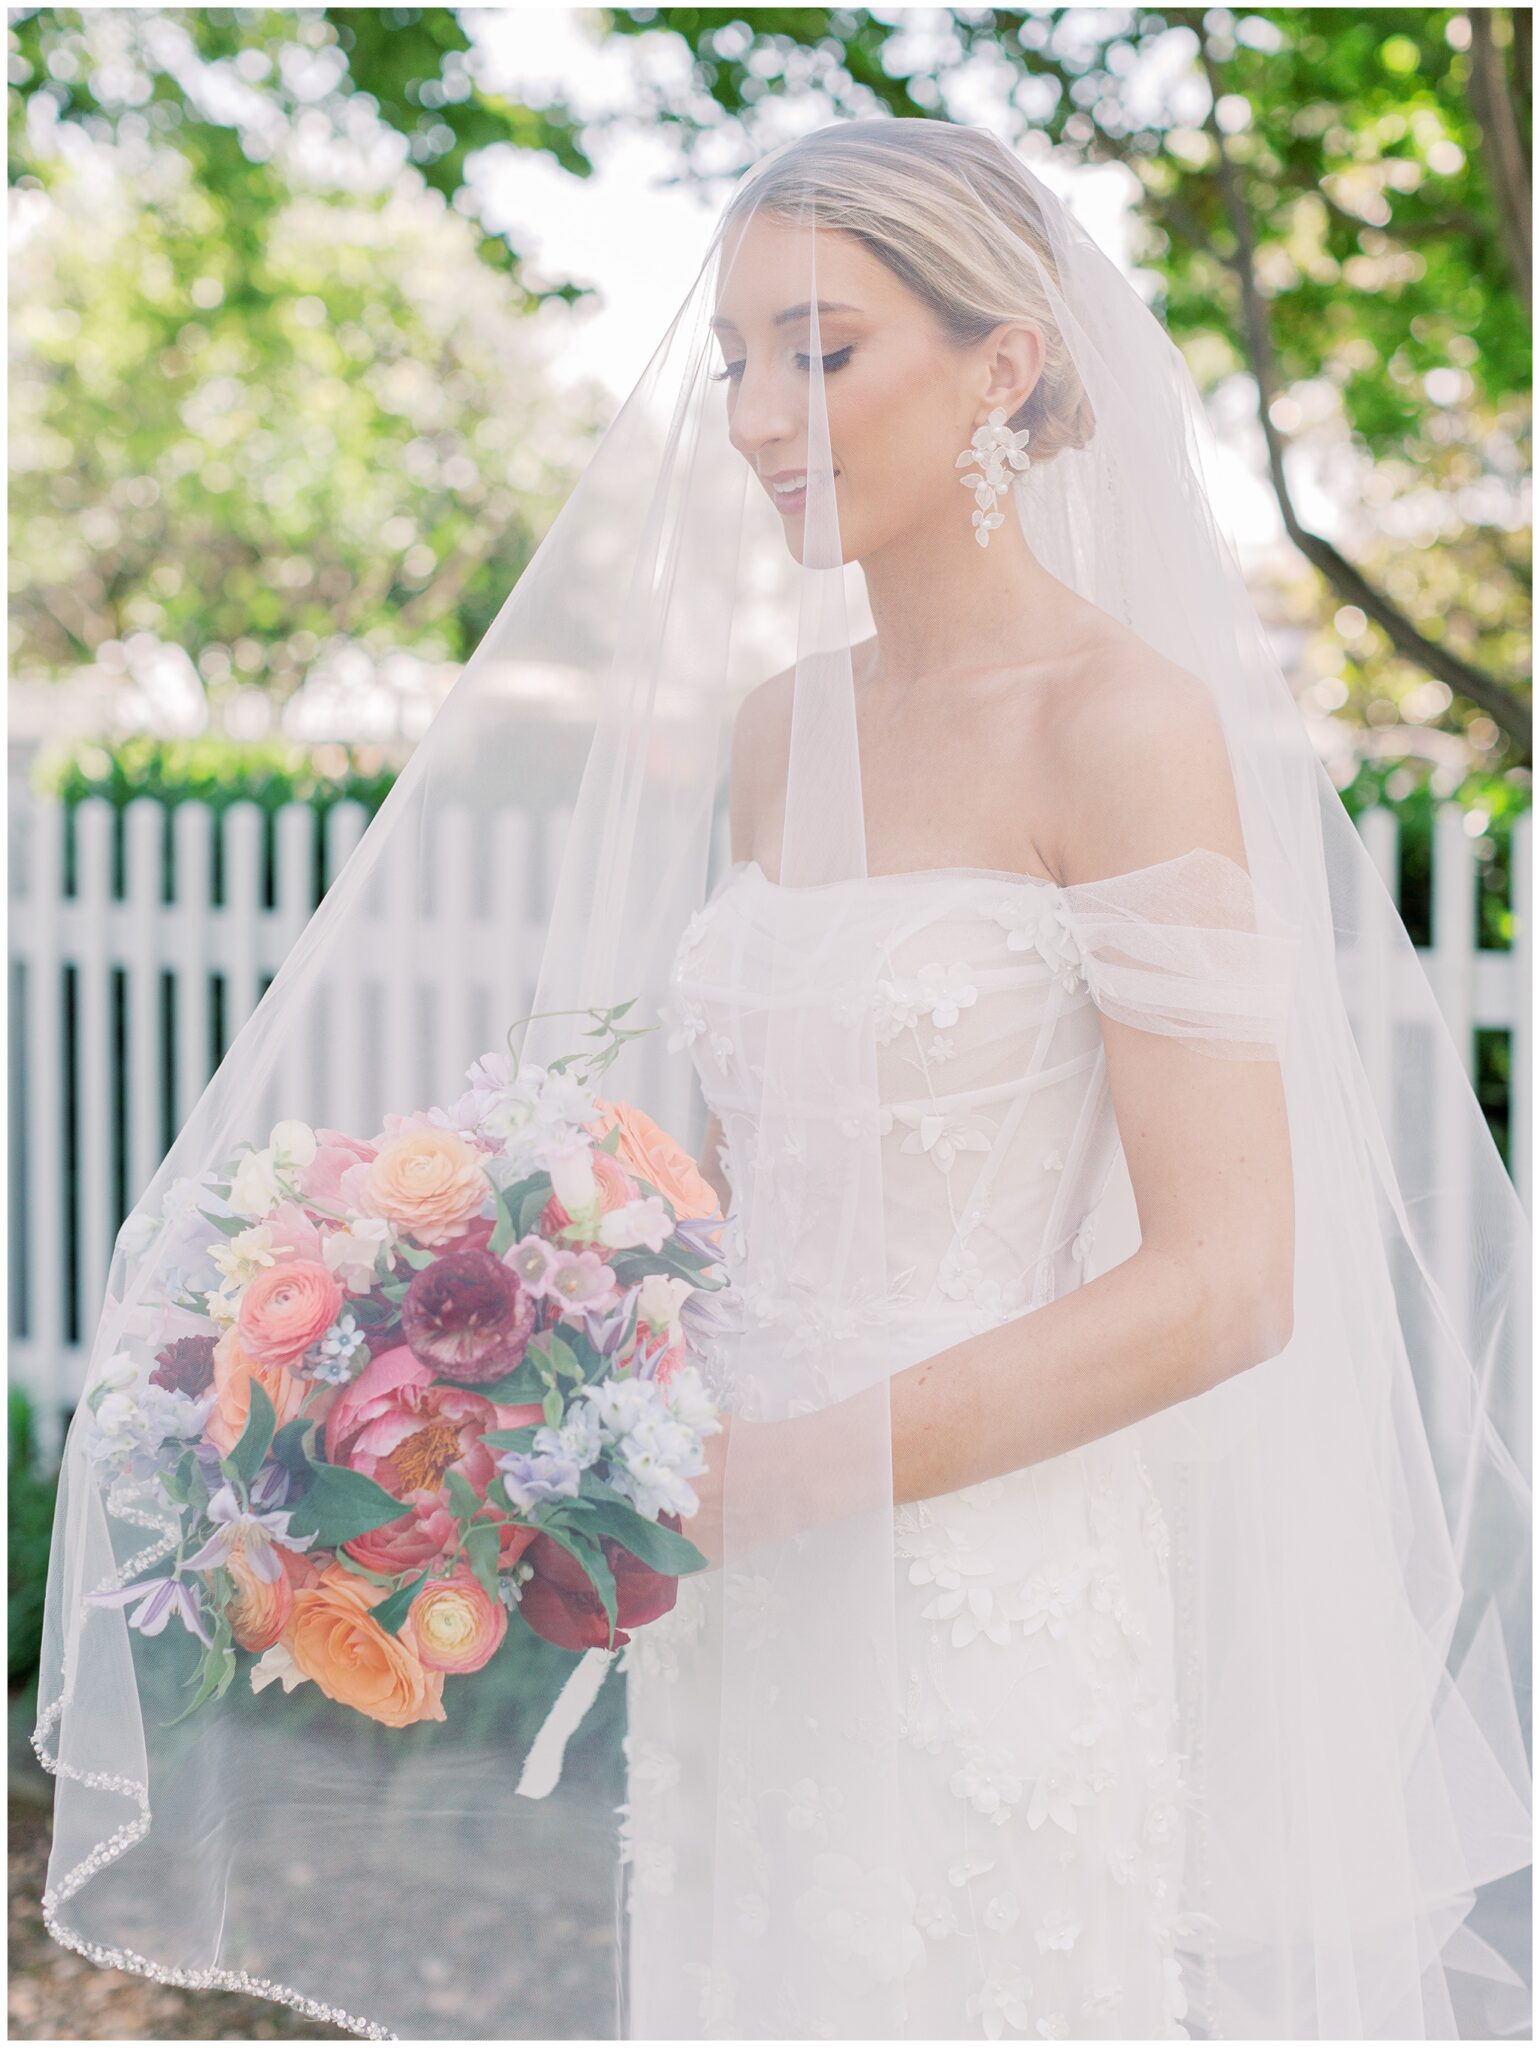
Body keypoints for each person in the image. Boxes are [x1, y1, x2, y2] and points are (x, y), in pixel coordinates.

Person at [33, 116, 1529, 2044]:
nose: (754, 416)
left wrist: (795, 1474)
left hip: (993, 1580)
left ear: (1008, 363)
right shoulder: (773, 735)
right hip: (735, 1575)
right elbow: (729, 1196)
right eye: (733, 359)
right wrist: (495, 1395)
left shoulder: (1128, 727)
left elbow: (1230, 1279)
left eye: (820, 351)